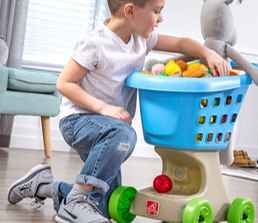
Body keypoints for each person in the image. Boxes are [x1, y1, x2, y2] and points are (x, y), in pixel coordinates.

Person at [7, 0, 230, 222]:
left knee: (106, 203)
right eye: (156, 11)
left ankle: (44, 185)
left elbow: (180, 43)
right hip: (79, 121)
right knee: (124, 134)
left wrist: (207, 52)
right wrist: (104, 108)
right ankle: (75, 203)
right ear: (130, 11)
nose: (161, 18)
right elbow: (64, 83)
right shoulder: (95, 43)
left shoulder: (141, 39)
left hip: (110, 130)